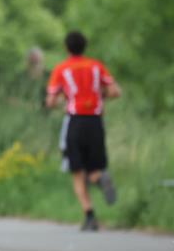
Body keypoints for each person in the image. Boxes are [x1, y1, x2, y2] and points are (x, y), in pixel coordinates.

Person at [46, 30, 121, 231]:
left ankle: (89, 217)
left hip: (75, 122)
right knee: (94, 168)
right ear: (84, 46)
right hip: (96, 122)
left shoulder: (61, 69)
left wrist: (64, 99)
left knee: (77, 171)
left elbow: (51, 101)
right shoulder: (96, 66)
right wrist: (100, 96)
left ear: (66, 48)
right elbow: (115, 91)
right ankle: (100, 178)